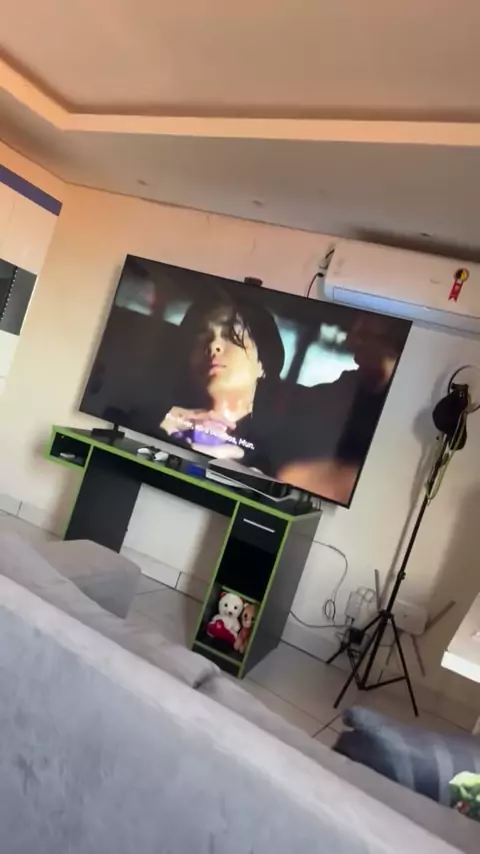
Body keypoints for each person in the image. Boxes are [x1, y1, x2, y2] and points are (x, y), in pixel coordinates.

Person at [159, 288, 285, 460]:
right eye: (202, 336)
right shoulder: (160, 418)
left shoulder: (274, 452)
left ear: (263, 362)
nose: (213, 346)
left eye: (230, 335)